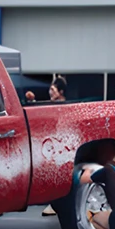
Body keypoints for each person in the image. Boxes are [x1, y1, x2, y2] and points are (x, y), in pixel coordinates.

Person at [42, 76, 69, 216]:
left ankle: (56, 205)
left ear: (61, 92)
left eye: (53, 90)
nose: (50, 93)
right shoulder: (55, 106)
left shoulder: (62, 107)